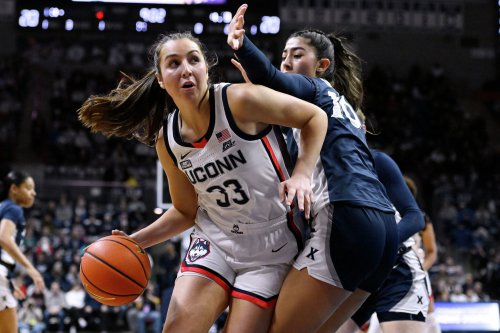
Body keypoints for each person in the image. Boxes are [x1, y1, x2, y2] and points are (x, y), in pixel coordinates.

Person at [77, 31, 327, 333]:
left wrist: (301, 174)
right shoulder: (168, 141)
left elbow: (314, 117)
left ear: (206, 69)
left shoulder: (239, 100)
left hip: (271, 247)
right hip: (215, 239)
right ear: (160, 79)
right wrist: (135, 241)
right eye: (174, 63)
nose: (186, 69)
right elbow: (185, 211)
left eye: (193, 60)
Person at [227, 4, 399, 332]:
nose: (288, 62)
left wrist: (241, 43)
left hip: (346, 216)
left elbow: (270, 77)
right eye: (284, 56)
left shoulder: (318, 90)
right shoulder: (341, 110)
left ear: (321, 66)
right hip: (383, 230)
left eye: (297, 55)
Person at [335, 111, 428, 333]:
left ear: (363, 128)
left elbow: (415, 218)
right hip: (357, 274)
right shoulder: (322, 165)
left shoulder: (377, 161)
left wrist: (378, 245)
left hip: (396, 270)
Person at [0, 170, 45, 333]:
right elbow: (4, 238)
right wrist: (30, 268)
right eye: (28, 187)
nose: (34, 192)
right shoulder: (13, 208)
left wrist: (8, 281)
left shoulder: (3, 207)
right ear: (14, 189)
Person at [406, 176, 442, 333]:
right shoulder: (384, 215)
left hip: (416, 274)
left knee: (428, 317)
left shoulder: (420, 217)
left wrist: (419, 271)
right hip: (390, 274)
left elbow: (432, 252)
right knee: (378, 319)